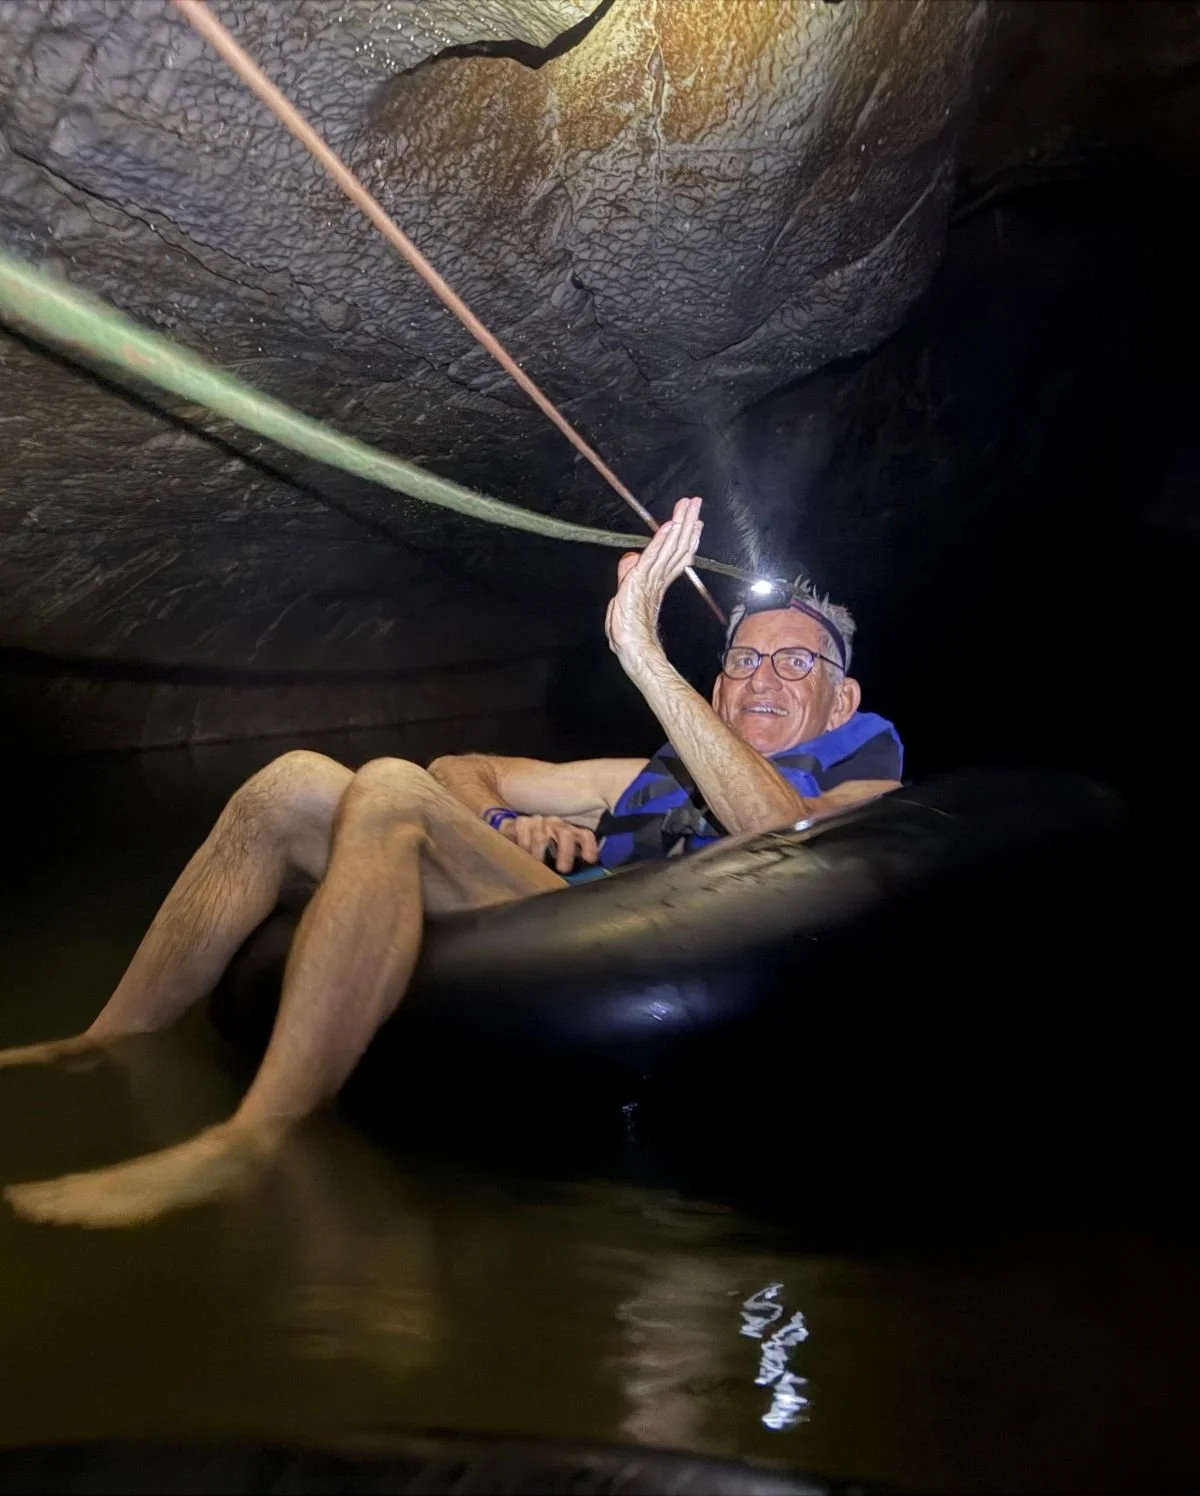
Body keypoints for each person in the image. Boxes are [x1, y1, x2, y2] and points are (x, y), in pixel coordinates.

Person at [0, 497, 902, 1227]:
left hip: (637, 948)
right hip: (550, 912)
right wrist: (510, 820)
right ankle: (105, 1041)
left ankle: (255, 1138)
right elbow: (462, 769)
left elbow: (782, 833)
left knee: (390, 788)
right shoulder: (639, 776)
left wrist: (642, 653)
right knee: (289, 783)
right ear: (720, 686)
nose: (762, 678)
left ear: (843, 699)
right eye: (743, 659)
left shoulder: (865, 787)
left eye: (795, 662)